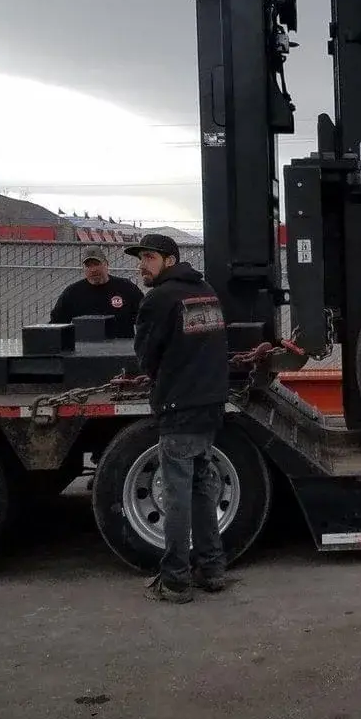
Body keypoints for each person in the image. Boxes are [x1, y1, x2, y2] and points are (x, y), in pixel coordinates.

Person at [125, 233, 232, 604]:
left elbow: (146, 356)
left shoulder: (159, 299)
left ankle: (174, 580)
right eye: (140, 259)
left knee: (176, 497)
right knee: (202, 488)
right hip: (211, 405)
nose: (142, 265)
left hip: (179, 408)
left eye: (149, 258)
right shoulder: (206, 291)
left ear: (169, 260)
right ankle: (212, 570)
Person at [50, 250, 146, 337]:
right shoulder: (72, 292)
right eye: (88, 266)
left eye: (96, 264)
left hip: (122, 346)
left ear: (106, 265)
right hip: (84, 347)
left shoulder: (126, 287)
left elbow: (146, 317)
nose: (93, 269)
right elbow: (56, 323)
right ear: (83, 268)